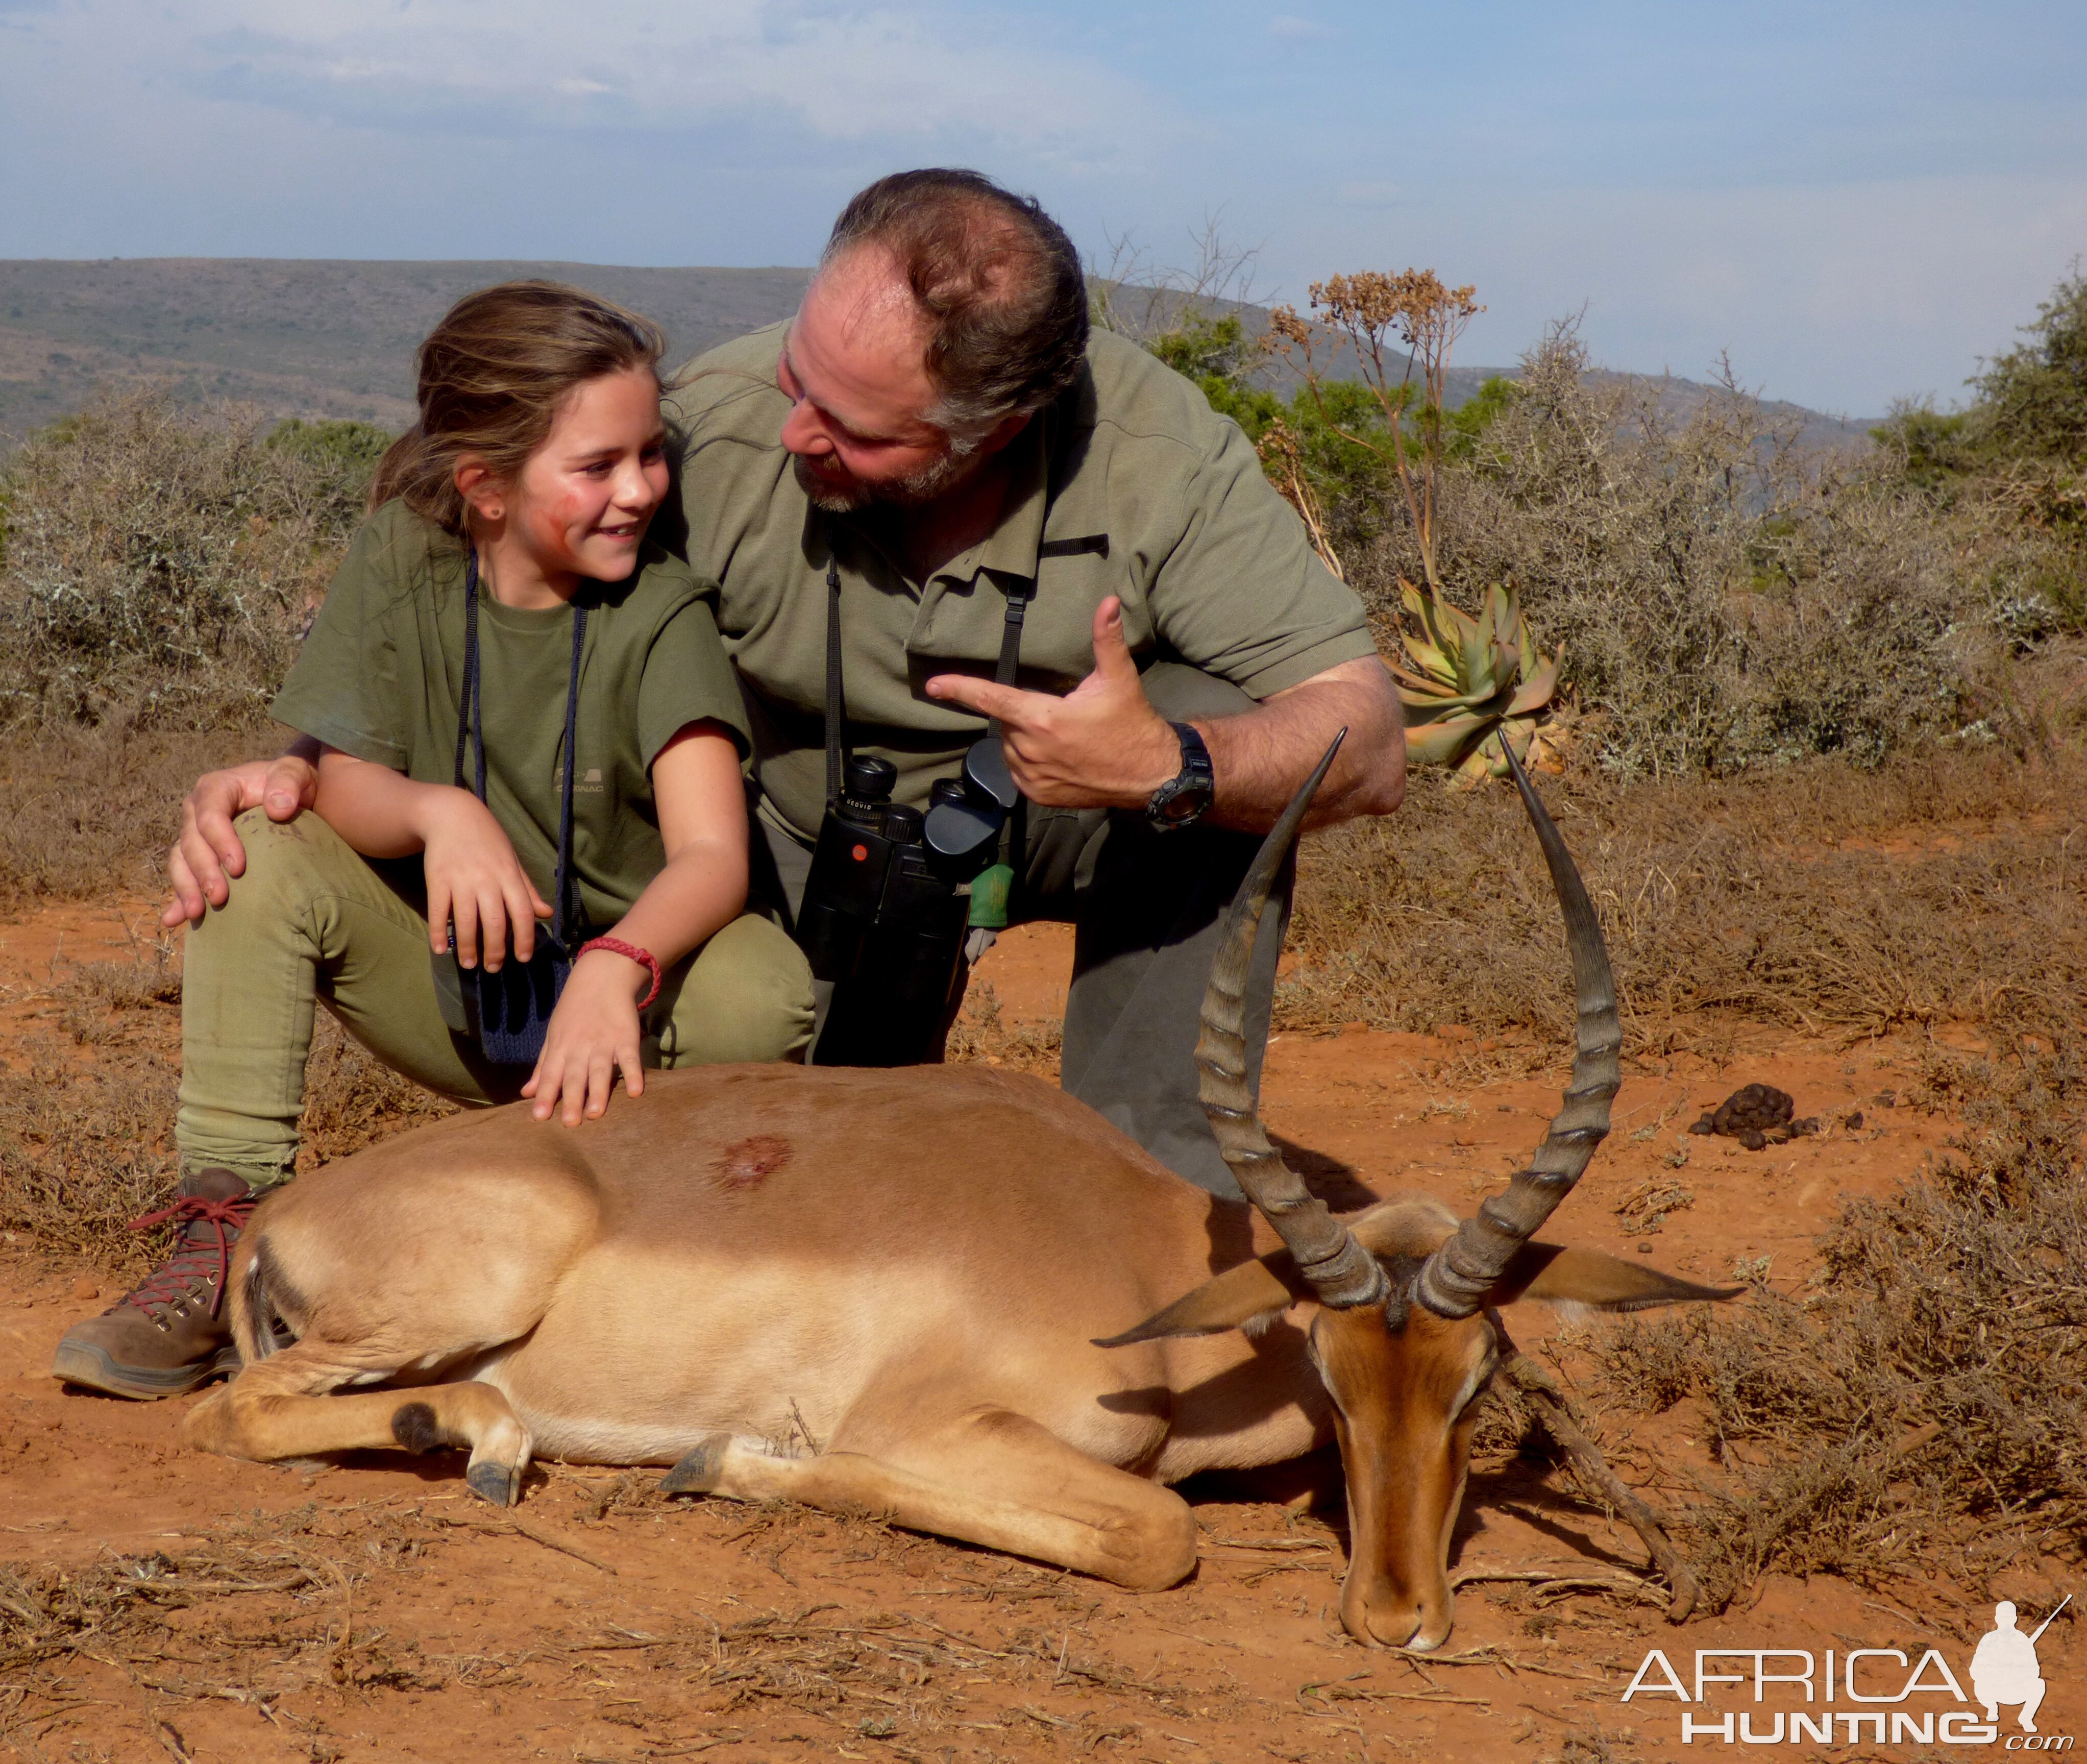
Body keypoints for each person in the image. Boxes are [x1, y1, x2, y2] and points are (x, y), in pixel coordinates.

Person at [161, 168, 1405, 1199]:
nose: (797, 429)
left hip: (1052, 804)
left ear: (998, 426)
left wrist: (1166, 766)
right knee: (823, 1157)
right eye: (800, 379)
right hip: (774, 839)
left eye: (856, 427)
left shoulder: (1157, 454)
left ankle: (1153, 1188)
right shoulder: (710, 428)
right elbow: (482, 555)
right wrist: (302, 766)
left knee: (1212, 731)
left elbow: (1366, 733)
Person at [53, 283, 815, 1401]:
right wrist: (439, 814)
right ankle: (220, 1252)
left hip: (632, 1024)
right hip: (465, 985)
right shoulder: (403, 560)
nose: (641, 491)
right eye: (599, 467)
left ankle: (672, 1275)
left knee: (763, 987)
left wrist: (614, 969)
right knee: (254, 850)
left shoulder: (662, 611)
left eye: (652, 456)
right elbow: (342, 773)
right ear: (483, 489)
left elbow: (713, 856)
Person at [1970, 1601, 2049, 1733]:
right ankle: (1992, 1708)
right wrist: (1993, 1672)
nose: (2005, 1621)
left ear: (2015, 1619)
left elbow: (2034, 1671)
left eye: (2008, 1618)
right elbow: (1975, 1669)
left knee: (2039, 1684)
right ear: (1996, 1619)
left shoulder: (2022, 1640)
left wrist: (2017, 1669)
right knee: (1979, 1684)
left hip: (2016, 1690)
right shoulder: (1988, 1639)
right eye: (2002, 1617)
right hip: (1993, 1690)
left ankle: (2026, 1717)